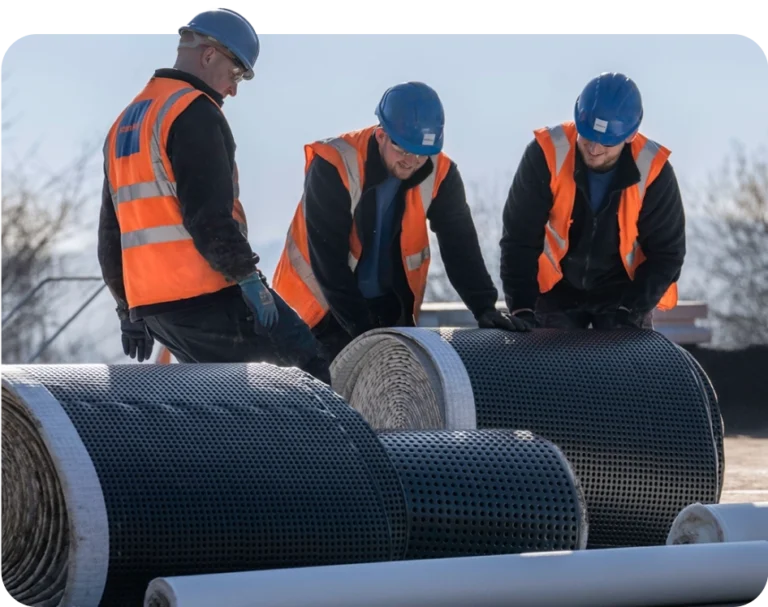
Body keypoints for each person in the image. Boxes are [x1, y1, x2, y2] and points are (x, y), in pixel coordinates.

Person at [97, 7, 331, 383]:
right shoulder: (193, 112)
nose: (234, 88)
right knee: (306, 373)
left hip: (156, 310)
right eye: (236, 73)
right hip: (207, 294)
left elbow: (111, 234)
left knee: (224, 399)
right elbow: (208, 218)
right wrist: (247, 278)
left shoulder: (125, 124)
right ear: (208, 55)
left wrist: (128, 309)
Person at [271, 81, 529, 360]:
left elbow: (460, 245)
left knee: (394, 384)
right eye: (403, 150)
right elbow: (329, 263)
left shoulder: (440, 173)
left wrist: (484, 306)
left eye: (421, 154)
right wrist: (365, 334)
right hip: (314, 315)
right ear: (381, 135)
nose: (411, 161)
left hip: (388, 308)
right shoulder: (334, 164)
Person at [499, 72, 686, 331]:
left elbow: (666, 254)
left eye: (607, 143)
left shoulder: (654, 170)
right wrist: (522, 307)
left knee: (627, 358)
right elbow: (519, 237)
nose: (595, 149)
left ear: (630, 135)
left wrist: (631, 311)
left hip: (623, 296)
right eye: (587, 137)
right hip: (554, 291)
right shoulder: (546, 153)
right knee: (543, 357)